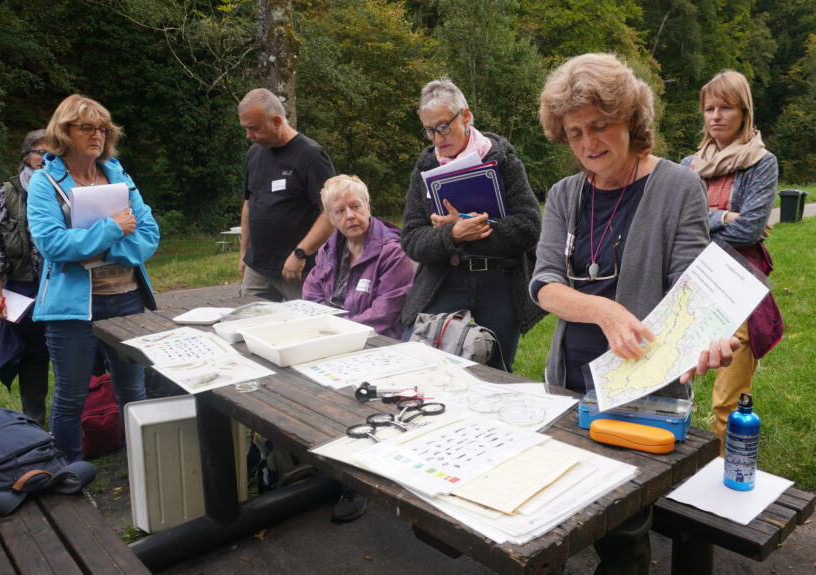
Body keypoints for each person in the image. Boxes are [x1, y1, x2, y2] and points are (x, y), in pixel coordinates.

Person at [532, 53, 736, 574]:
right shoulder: (563, 195)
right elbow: (544, 286)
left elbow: (693, 289)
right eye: (574, 132)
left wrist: (708, 337)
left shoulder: (676, 186)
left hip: (644, 388)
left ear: (631, 120)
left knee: (622, 525)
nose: (588, 144)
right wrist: (601, 309)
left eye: (600, 126)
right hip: (569, 380)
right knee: (555, 510)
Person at [27, 94, 159, 461]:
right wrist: (113, 227)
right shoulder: (44, 182)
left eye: (103, 129)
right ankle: (69, 472)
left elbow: (149, 235)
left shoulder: (118, 174)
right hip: (71, 310)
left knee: (134, 389)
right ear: (64, 131)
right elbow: (53, 245)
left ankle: (143, 466)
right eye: (87, 128)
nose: (97, 135)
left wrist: (102, 252)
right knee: (71, 397)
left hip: (127, 298)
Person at [400, 78, 544, 371]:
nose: (438, 138)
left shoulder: (502, 158)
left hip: (499, 282)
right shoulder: (425, 167)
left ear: (465, 117)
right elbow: (411, 238)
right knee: (424, 365)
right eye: (430, 131)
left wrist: (474, 230)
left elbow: (530, 226)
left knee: (496, 372)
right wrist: (451, 234)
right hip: (445, 278)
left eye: (443, 126)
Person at [681, 69, 785, 449]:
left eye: (726, 107)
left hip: (738, 282)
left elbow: (751, 229)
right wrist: (721, 217)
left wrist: (699, 228)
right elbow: (676, 225)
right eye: (709, 108)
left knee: (729, 393)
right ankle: (673, 456)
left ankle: (724, 459)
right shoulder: (686, 165)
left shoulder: (761, 162)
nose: (716, 116)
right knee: (675, 374)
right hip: (689, 280)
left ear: (744, 111)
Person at [237, 88, 336, 301]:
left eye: (254, 128)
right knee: (248, 325)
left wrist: (301, 253)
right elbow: (248, 205)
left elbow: (330, 214)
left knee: (303, 330)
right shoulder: (254, 153)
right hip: (258, 268)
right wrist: (243, 253)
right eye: (245, 129)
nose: (249, 136)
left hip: (298, 269)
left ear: (276, 120)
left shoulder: (311, 155)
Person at [0, 130, 51, 424]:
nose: (47, 160)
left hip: (63, 285)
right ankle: (34, 421)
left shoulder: (68, 187)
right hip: (23, 287)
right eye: (41, 153)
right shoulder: (8, 192)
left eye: (54, 154)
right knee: (31, 354)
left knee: (71, 351)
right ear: (26, 156)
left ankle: (84, 419)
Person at [302, 175, 414, 339]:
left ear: (368, 207)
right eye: (340, 211)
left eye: (355, 206)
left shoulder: (393, 253)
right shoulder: (327, 251)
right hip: (330, 336)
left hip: (378, 341)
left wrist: (338, 331)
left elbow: (385, 312)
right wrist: (326, 329)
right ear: (331, 219)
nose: (350, 216)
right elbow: (311, 297)